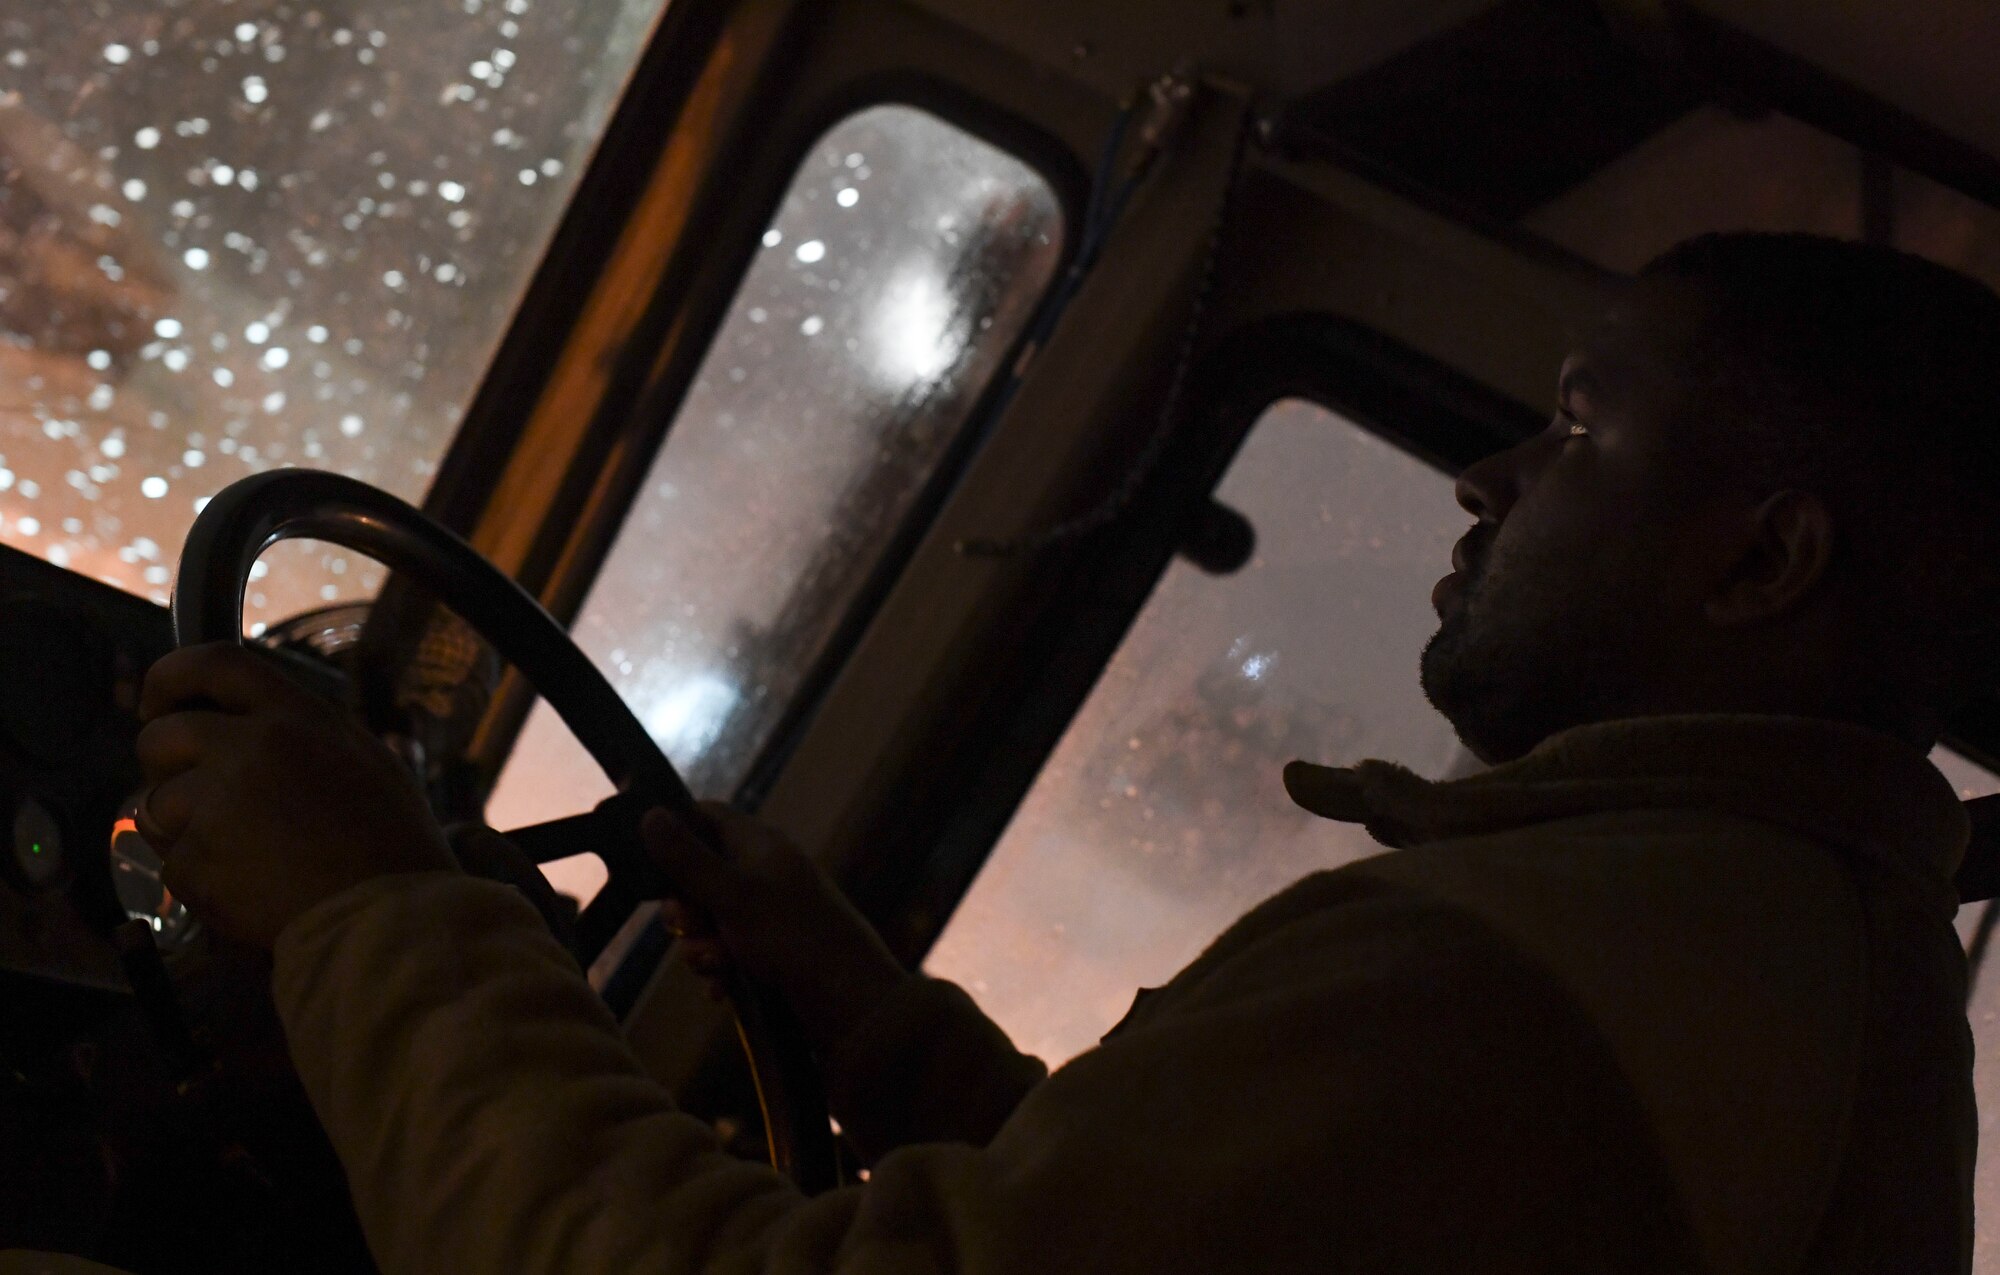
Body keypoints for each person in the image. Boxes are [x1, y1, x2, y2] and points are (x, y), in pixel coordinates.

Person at [123, 232, 1999, 1273]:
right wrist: (883, 1036)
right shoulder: (1778, 963)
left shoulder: (1546, 976)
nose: (1487, 475)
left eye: (1582, 432)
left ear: (1764, 559)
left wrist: (373, 906)